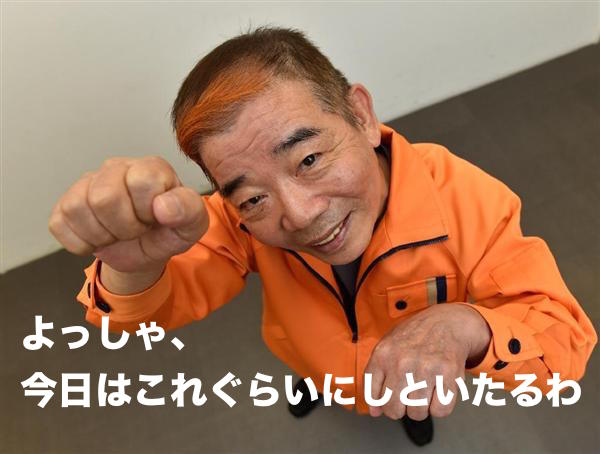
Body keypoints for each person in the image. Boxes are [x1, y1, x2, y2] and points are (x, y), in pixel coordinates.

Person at [48, 27, 597, 447]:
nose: (301, 215)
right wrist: (134, 265)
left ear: (361, 114)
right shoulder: (238, 220)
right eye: (252, 196)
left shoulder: (469, 199)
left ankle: (410, 412)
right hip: (307, 356)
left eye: (308, 158)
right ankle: (315, 383)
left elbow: (565, 346)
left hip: (408, 375)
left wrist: (465, 326)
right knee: (309, 373)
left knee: (413, 403)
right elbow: (135, 320)